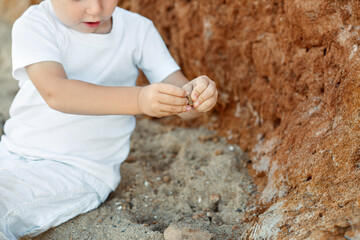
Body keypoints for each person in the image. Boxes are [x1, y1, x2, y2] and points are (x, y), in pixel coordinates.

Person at [0, 0, 218, 239]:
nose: (95, 8)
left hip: (78, 170)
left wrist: (196, 95)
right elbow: (57, 93)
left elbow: (182, 99)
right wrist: (139, 100)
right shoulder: (36, 24)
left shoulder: (137, 29)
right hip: (11, 151)